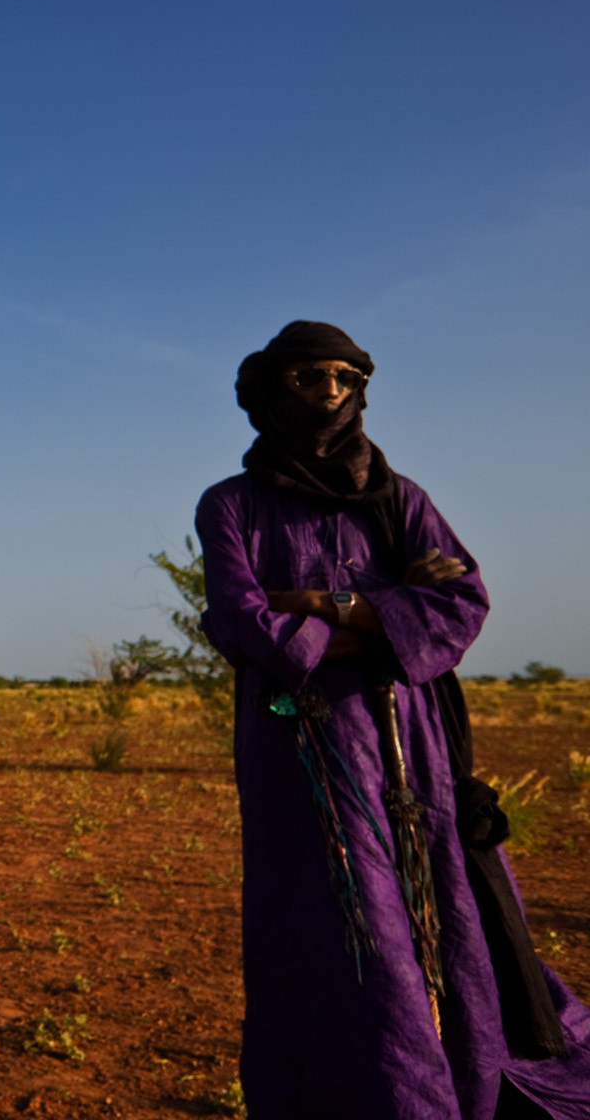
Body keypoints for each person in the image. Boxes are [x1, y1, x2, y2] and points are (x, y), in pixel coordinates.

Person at [197, 320, 590, 1119]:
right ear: (276, 389)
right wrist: (382, 614)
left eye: (344, 377)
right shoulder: (231, 506)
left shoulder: (401, 498)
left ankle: (460, 1082)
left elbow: (460, 601)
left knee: (436, 906)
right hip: (298, 749)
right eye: (311, 378)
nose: (331, 392)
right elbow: (241, 622)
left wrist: (320, 602)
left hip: (413, 741)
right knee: (337, 920)